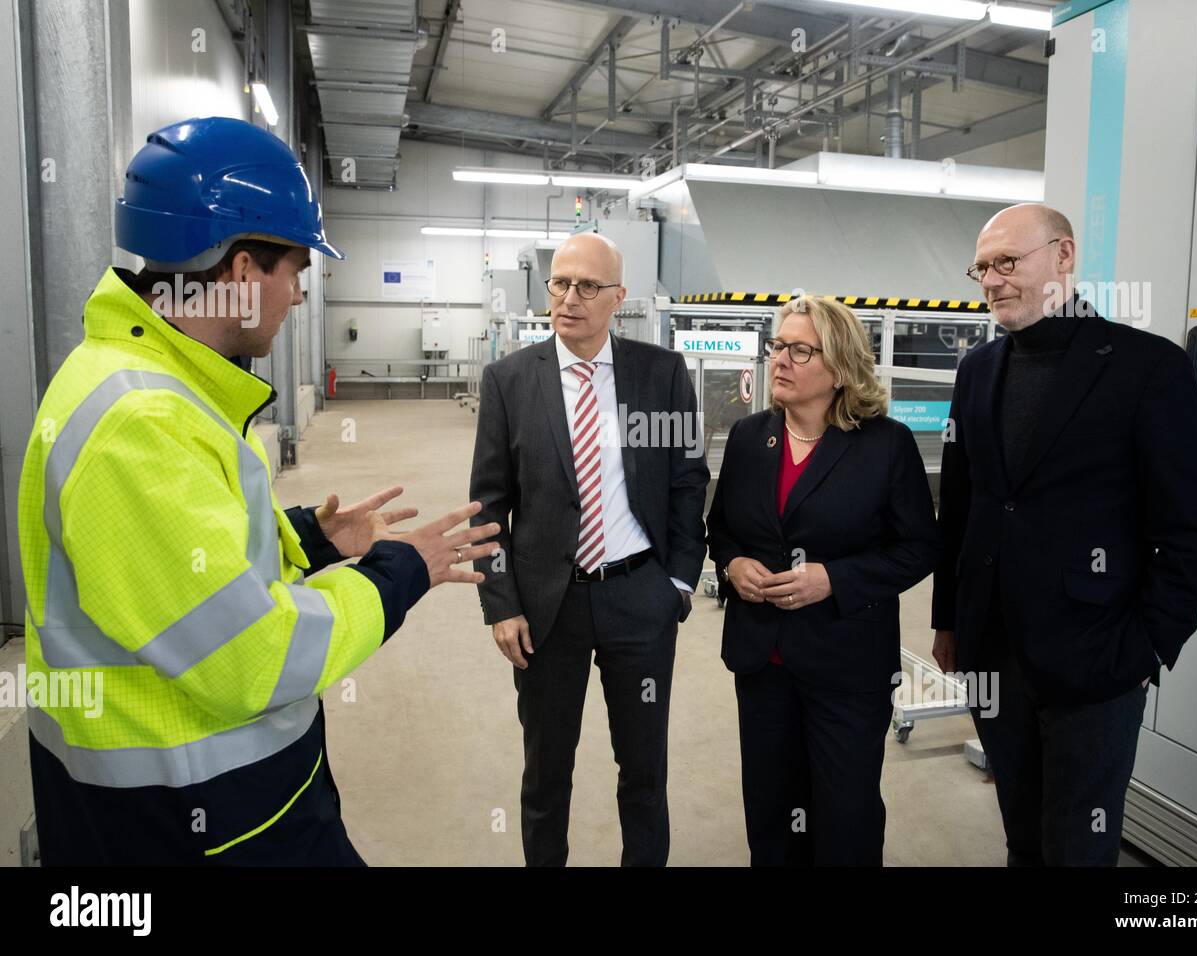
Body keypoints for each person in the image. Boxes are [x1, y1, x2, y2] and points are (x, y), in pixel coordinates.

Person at [18, 116, 500, 865]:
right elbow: (252, 655)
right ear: (244, 274)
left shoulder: (153, 383)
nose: (299, 298)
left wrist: (307, 538)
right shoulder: (139, 420)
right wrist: (401, 570)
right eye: (296, 273)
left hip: (206, 803)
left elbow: (185, 566)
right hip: (196, 819)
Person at [931, 203, 1197, 866]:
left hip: (1096, 658)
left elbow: (1187, 530)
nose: (993, 279)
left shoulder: (1147, 368)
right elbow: (965, 507)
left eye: (1009, 262)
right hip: (991, 652)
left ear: (1063, 257)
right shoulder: (978, 369)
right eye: (982, 268)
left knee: (1080, 847)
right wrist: (950, 620)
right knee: (1023, 837)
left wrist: (1148, 647)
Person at [469, 232, 709, 866]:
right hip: (548, 610)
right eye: (559, 284)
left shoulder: (660, 375)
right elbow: (488, 506)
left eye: (587, 287)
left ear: (619, 299)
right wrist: (500, 604)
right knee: (546, 775)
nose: (569, 298)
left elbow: (689, 481)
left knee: (644, 772)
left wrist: (679, 585)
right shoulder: (510, 381)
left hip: (640, 597)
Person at [706, 296, 937, 866]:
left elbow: (919, 549)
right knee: (770, 811)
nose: (780, 360)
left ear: (839, 368)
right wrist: (732, 566)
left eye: (799, 350)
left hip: (847, 667)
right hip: (763, 662)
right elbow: (722, 530)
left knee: (845, 815)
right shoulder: (748, 438)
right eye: (778, 346)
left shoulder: (886, 445)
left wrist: (835, 579)